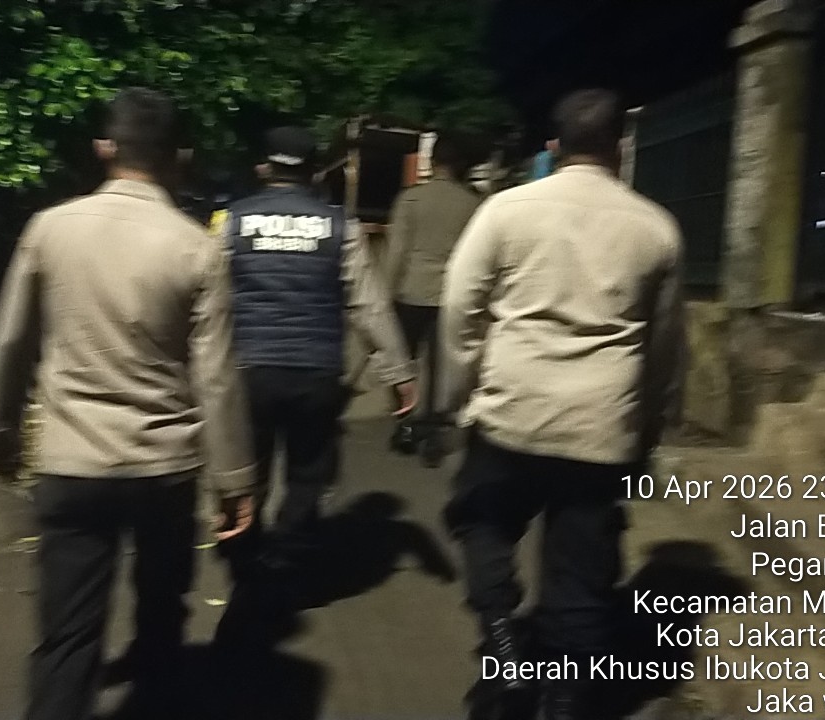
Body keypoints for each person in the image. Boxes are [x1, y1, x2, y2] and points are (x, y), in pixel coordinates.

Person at [0, 87, 257, 720]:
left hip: (71, 462)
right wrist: (236, 481)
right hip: (164, 470)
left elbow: (8, 342)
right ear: (178, 157)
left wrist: (2, 430)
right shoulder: (197, 247)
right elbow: (216, 378)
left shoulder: (49, 229)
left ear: (104, 148)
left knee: (66, 637)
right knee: (161, 623)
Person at [438, 89, 686, 720]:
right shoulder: (656, 228)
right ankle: (566, 698)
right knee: (580, 570)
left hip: (510, 412)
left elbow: (460, 306)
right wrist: (647, 423)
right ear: (620, 147)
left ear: (554, 146)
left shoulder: (506, 210)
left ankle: (503, 645)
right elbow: (663, 347)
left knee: (483, 522)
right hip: (600, 426)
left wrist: (464, 390)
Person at [209, 125, 417, 638]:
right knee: (307, 474)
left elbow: (208, 296)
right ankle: (285, 558)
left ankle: (245, 566)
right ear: (315, 172)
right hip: (315, 372)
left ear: (264, 168)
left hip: (248, 371)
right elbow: (369, 305)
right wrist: (400, 373)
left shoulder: (231, 221)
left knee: (247, 473)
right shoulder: (340, 226)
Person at [384, 133, 483, 467]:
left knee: (402, 363)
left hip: (410, 293)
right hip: (451, 296)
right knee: (442, 367)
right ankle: (433, 432)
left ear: (432, 161)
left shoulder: (411, 199)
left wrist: (386, 293)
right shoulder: (472, 203)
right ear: (461, 164)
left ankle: (404, 423)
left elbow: (396, 252)